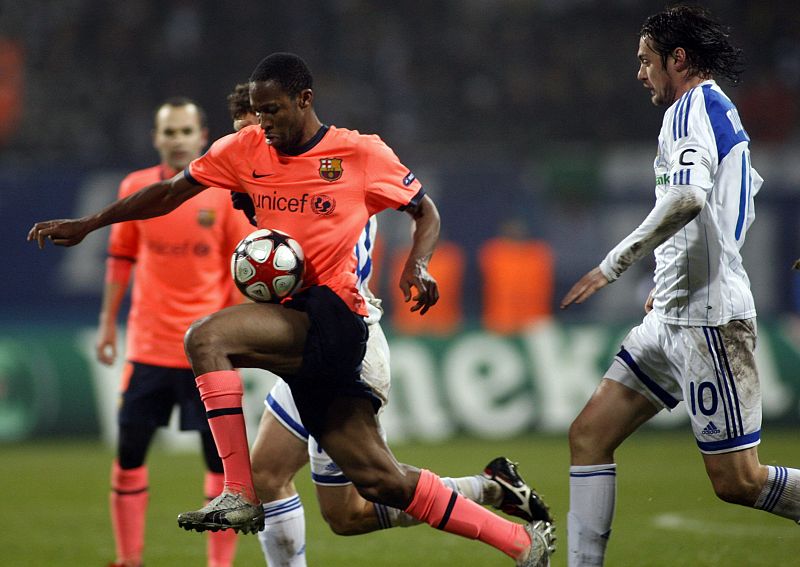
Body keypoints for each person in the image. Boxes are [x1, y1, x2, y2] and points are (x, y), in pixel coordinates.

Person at [29, 53, 555, 566]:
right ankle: (517, 540)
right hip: (297, 327)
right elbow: (168, 192)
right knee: (366, 489)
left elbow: (425, 209)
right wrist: (90, 224)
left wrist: (417, 265)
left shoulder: (359, 153)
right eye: (258, 112)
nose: (264, 122)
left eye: (273, 110)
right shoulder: (246, 148)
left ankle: (237, 493)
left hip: (339, 320)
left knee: (208, 339)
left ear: (304, 99)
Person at [225, 83, 552, 566]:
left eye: (253, 133)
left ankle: (513, 534)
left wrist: (417, 263)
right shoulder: (272, 185)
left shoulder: (323, 176)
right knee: (307, 494)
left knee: (375, 491)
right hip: (309, 348)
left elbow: (417, 210)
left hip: (341, 347)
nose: (249, 147)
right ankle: (490, 488)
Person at [560, 6, 800, 566]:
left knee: (738, 480)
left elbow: (690, 198)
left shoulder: (691, 110)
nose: (640, 73)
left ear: (678, 59)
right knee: (588, 435)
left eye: (647, 61)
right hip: (670, 314)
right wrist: (669, 275)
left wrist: (614, 263)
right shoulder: (714, 110)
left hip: (708, 321)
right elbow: (731, 207)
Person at [96, 98, 252, 567]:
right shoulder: (136, 188)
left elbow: (240, 270)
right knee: (129, 454)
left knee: (219, 466)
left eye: (186, 131)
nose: (178, 139)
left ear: (202, 136)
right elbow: (121, 258)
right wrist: (107, 324)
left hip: (205, 353)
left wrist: (234, 338)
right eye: (170, 131)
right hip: (148, 347)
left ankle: (219, 565)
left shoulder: (223, 193)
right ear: (156, 138)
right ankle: (128, 559)